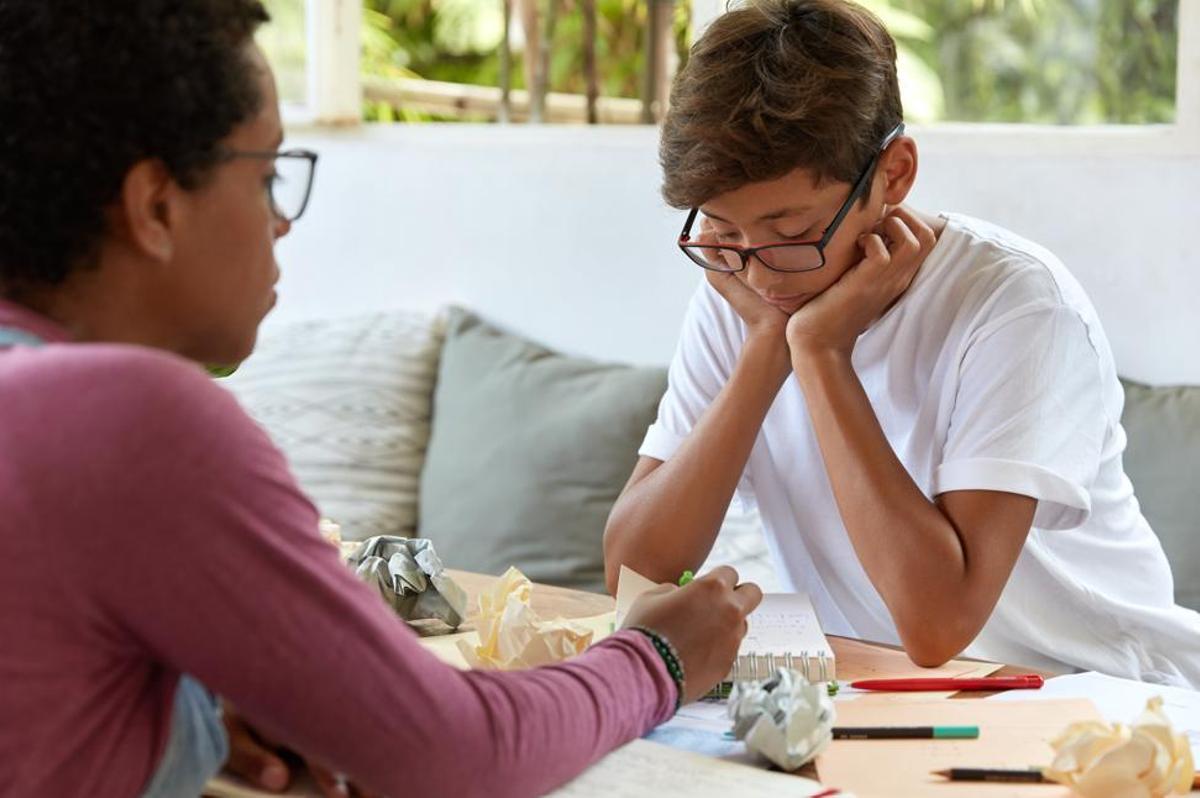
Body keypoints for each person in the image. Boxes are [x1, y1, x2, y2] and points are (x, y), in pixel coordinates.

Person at [0, 2, 763, 796]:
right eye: (267, 176)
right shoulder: (130, 418)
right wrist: (656, 659)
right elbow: (457, 753)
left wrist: (178, 723)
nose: (282, 222)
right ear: (156, 207)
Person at [604, 0, 1200, 687]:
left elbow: (937, 624)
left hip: (1098, 698)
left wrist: (821, 356)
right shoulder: (743, 289)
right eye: (724, 231)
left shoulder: (1013, 305)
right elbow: (632, 574)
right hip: (887, 696)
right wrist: (768, 349)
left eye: (793, 234)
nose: (760, 271)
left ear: (893, 174)